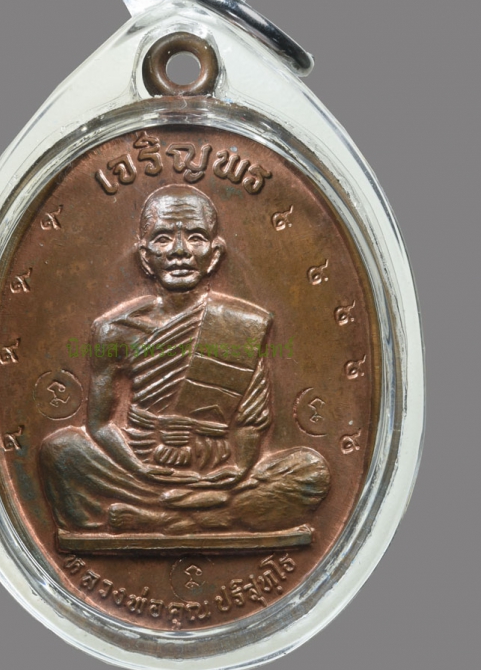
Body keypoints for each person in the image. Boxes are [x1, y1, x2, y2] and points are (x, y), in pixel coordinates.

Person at [39, 185, 330, 535]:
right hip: (137, 474)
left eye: (195, 237)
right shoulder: (114, 330)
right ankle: (206, 517)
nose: (180, 251)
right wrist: (140, 468)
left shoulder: (242, 324)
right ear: (145, 257)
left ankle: (160, 519)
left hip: (218, 477)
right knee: (60, 451)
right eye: (163, 238)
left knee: (309, 469)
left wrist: (237, 470)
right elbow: (99, 425)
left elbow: (252, 422)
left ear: (215, 254)